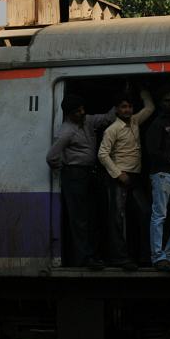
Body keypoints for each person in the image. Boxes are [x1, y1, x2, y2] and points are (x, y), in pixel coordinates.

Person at [45, 94, 116, 269]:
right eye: (78, 111)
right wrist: (66, 167)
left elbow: (108, 118)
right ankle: (84, 258)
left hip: (89, 173)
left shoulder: (88, 121)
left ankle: (94, 255)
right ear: (69, 114)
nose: (83, 112)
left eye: (83, 109)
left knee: (92, 216)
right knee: (79, 219)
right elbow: (52, 156)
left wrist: (121, 98)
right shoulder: (66, 131)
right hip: (75, 175)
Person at [98, 88, 154, 270]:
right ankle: (119, 259)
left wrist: (143, 90)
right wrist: (118, 173)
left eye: (129, 106)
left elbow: (150, 108)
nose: (127, 110)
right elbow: (102, 154)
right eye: (123, 107)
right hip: (119, 177)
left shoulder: (135, 121)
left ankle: (144, 257)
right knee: (118, 219)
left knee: (144, 213)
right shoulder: (112, 129)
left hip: (134, 177)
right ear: (116, 109)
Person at [144, 90, 170, 271]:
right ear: (161, 103)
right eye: (167, 100)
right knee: (159, 215)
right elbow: (152, 150)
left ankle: (169, 254)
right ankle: (157, 256)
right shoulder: (157, 123)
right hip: (161, 173)